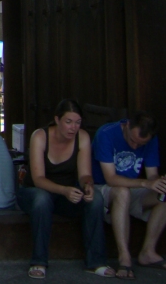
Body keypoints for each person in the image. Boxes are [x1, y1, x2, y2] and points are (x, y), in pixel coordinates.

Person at [17, 99, 113, 280]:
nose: (73, 128)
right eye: (68, 122)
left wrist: (87, 185)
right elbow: (38, 179)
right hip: (35, 193)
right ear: (57, 120)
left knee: (96, 199)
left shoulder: (82, 137)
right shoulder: (40, 136)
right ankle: (39, 261)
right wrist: (64, 190)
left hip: (65, 193)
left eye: (77, 123)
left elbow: (84, 174)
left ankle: (96, 261)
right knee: (42, 199)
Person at [92, 111, 166, 277]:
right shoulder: (106, 133)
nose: (135, 147)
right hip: (102, 189)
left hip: (130, 188)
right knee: (122, 192)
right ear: (126, 126)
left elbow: (152, 175)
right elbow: (111, 179)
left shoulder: (151, 140)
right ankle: (124, 258)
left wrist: (162, 183)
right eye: (132, 141)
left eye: (140, 145)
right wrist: (145, 183)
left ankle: (148, 252)